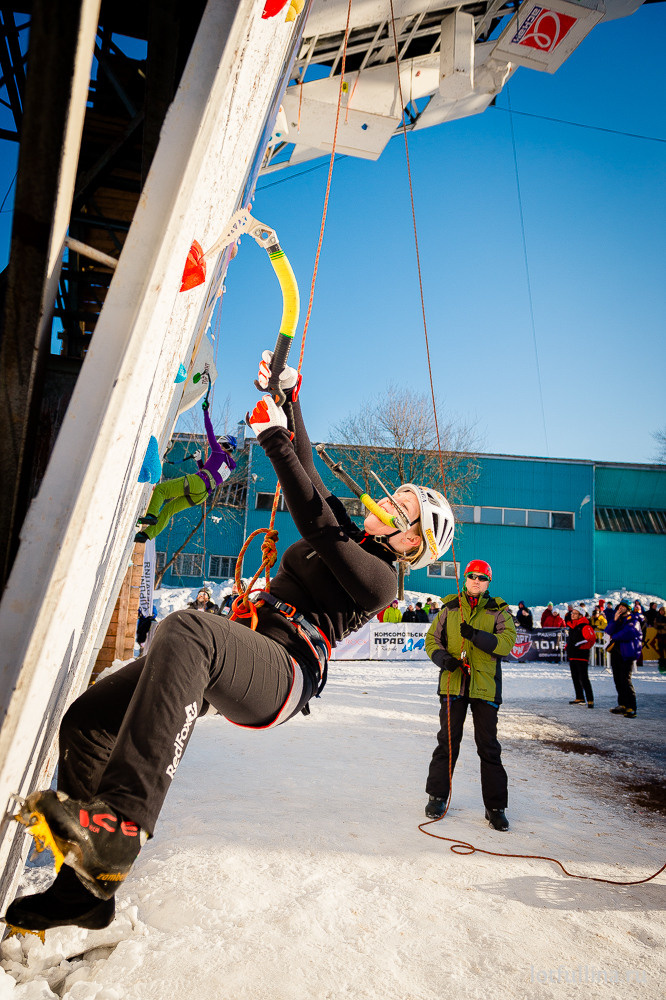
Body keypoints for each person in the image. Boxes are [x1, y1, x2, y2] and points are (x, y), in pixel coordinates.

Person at [5, 355, 456, 935]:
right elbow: (313, 479)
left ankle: (122, 821)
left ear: (414, 544)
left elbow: (314, 518)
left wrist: (272, 438)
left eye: (405, 514)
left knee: (187, 627)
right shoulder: (349, 530)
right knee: (89, 722)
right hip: (245, 644)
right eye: (396, 498)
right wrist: (290, 396)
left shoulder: (381, 578)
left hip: (284, 672)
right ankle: (85, 890)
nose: (390, 506)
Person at [424, 559, 516, 832]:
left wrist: (476, 635)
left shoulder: (498, 610)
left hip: (485, 686)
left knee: (488, 747)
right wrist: (444, 660)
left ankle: (495, 808)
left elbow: (506, 644)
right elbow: (432, 641)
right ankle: (437, 796)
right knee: (447, 742)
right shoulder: (450, 608)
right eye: (472, 576)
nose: (476, 581)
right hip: (454, 684)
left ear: (488, 582)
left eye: (482, 578)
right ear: (465, 578)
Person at [134, 397, 237, 543]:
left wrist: (206, 412)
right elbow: (208, 474)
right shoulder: (228, 467)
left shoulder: (219, 452)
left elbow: (209, 431)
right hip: (202, 495)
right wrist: (199, 460)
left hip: (198, 482)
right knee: (169, 510)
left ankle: (151, 516)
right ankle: (145, 536)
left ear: (223, 444)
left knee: (161, 490)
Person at [605, 598, 642, 718]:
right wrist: (614, 620)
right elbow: (607, 631)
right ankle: (622, 704)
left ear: (628, 608)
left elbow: (629, 632)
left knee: (626, 680)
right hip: (616, 653)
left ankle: (631, 706)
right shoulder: (618, 620)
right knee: (618, 679)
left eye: (623, 606)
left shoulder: (633, 619)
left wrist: (614, 637)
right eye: (619, 606)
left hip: (627, 653)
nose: (620, 608)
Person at [565, 608, 596, 707]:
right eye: (572, 613)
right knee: (575, 677)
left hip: (581, 656)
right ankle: (580, 697)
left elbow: (591, 639)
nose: (572, 615)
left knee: (584, 678)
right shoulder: (572, 626)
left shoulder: (585, 626)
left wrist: (579, 645)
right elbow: (572, 640)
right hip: (573, 656)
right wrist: (568, 646)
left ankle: (590, 699)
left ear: (581, 615)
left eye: (575, 613)